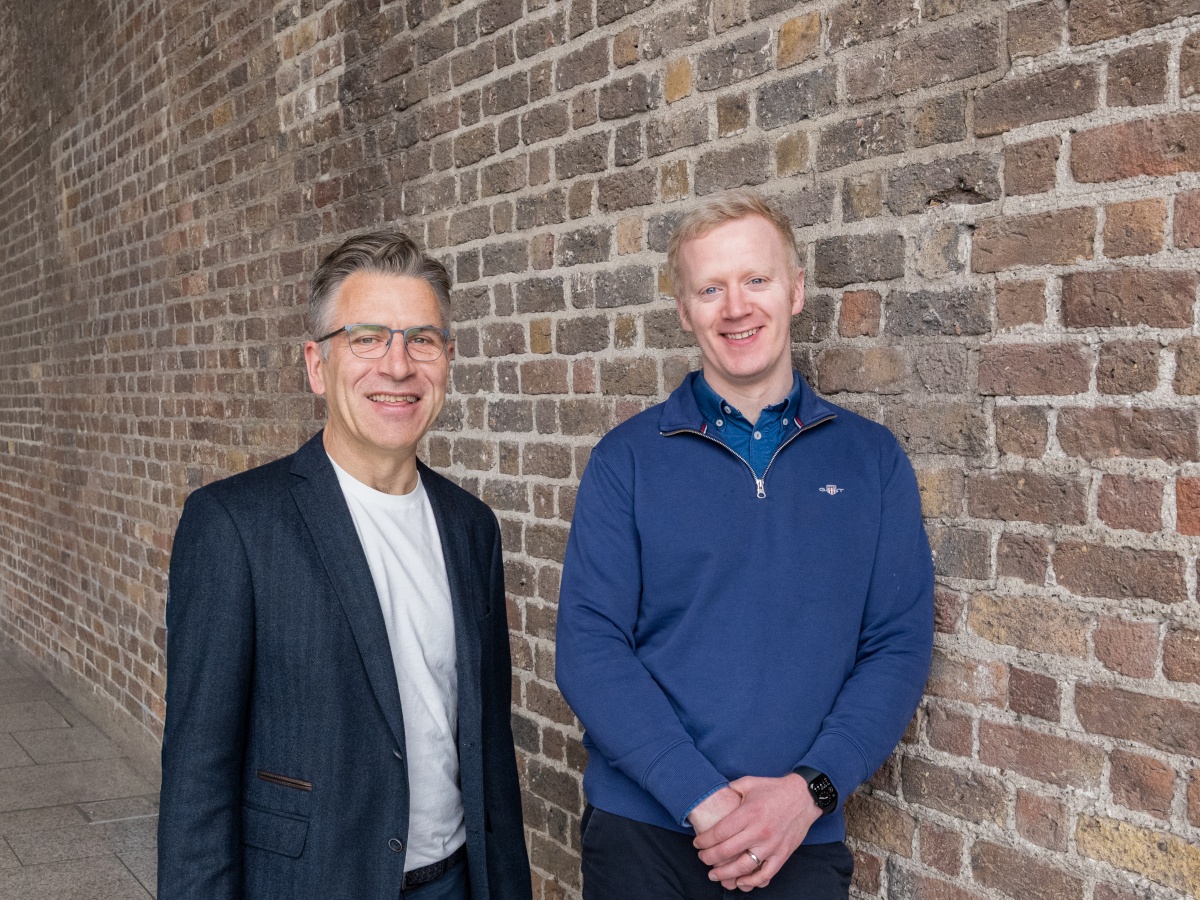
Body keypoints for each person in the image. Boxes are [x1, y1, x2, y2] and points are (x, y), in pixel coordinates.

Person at [556, 189, 934, 899]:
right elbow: (589, 647)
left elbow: (898, 645)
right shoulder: (626, 461)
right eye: (711, 288)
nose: (735, 307)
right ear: (685, 310)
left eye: (755, 280)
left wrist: (807, 792)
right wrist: (704, 799)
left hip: (801, 836)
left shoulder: (871, 461)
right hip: (644, 838)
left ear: (794, 292)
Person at [158, 232, 532, 900]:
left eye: (422, 339)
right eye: (366, 338)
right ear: (316, 365)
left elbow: (489, 753)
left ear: (446, 361)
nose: (397, 366)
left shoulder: (472, 529)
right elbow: (197, 781)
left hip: (455, 883)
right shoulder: (235, 526)